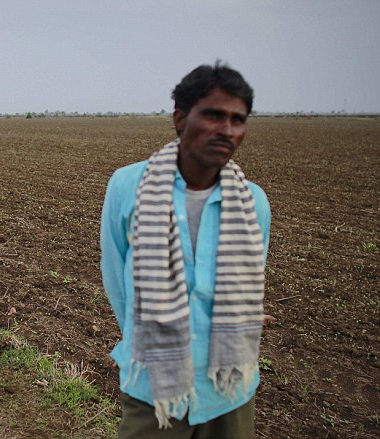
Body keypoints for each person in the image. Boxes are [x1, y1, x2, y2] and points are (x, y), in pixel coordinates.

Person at [100, 62, 271, 438]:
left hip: (228, 390)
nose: (226, 130)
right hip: (152, 388)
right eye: (213, 115)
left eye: (237, 120)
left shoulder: (253, 203)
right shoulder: (128, 187)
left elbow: (250, 285)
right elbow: (116, 279)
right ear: (180, 119)